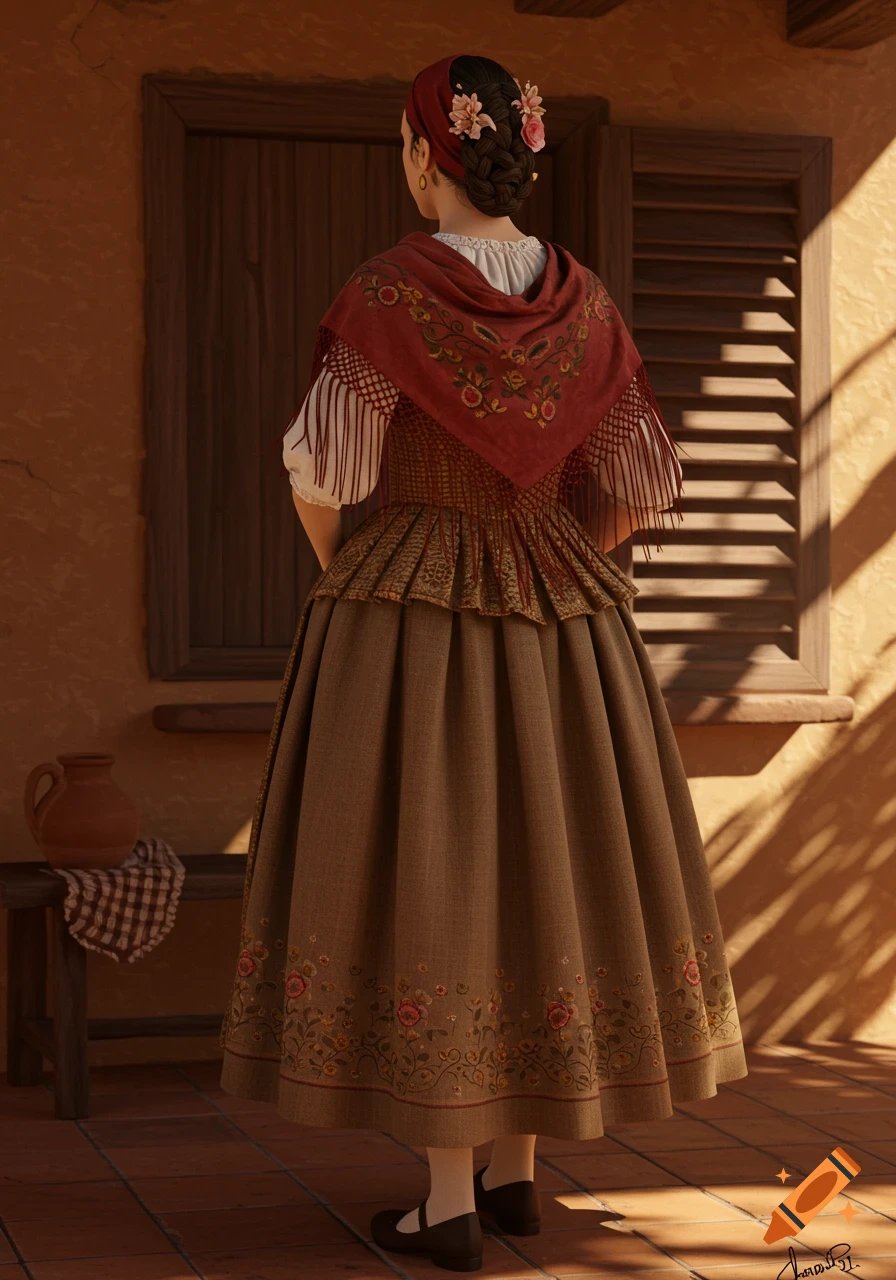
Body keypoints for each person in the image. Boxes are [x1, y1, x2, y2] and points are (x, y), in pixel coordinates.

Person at [220, 52, 748, 1274]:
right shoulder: (588, 304)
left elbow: (318, 469)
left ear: (422, 155)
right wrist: (560, 553)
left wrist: (351, 564)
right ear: (523, 154)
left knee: (435, 866)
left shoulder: (387, 293)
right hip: (565, 616)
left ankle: (449, 1200)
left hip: (409, 600)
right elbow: (633, 479)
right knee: (540, 865)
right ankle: (516, 1178)